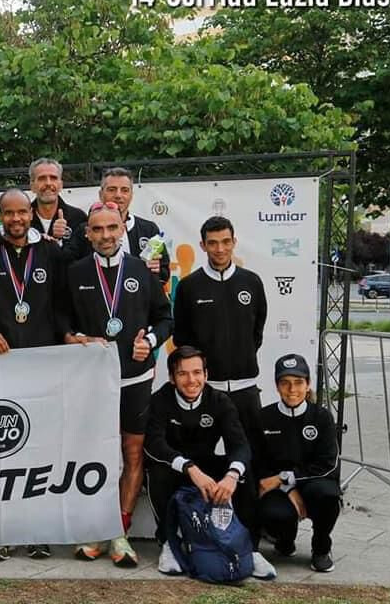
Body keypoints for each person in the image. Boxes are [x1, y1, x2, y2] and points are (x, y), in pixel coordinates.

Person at [63, 201, 173, 567]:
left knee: (131, 453)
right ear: (88, 233)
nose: (106, 235)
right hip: (92, 382)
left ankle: (119, 531)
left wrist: (151, 342)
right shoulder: (75, 272)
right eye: (98, 229)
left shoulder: (141, 270)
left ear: (122, 230)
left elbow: (164, 317)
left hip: (135, 379)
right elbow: (60, 319)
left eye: (112, 228)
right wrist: (75, 337)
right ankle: (96, 527)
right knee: (96, 455)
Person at [144, 346, 276, 580]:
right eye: (183, 374)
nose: (191, 380)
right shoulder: (160, 400)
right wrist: (189, 468)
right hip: (176, 466)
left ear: (206, 374)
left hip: (205, 464)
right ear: (173, 378)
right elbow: (154, 444)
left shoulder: (219, 401)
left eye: (197, 372)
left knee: (243, 472)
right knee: (157, 471)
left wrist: (231, 476)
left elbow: (240, 445)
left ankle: (251, 550)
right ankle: (168, 545)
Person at [173, 216, 267, 445]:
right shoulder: (189, 286)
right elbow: (182, 338)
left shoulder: (252, 282)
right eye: (213, 243)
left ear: (234, 242)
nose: (220, 249)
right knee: (200, 456)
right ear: (202, 245)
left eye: (226, 241)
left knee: (252, 456)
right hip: (206, 390)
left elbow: (257, 331)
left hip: (246, 388)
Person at [256, 354, 340, 573]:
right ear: (276, 385)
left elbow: (328, 463)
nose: (292, 389)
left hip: (312, 483)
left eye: (298, 382)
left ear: (308, 384)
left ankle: (321, 548)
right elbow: (258, 461)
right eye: (285, 383)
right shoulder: (264, 417)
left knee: (328, 496)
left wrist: (287, 478)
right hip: (279, 487)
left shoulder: (321, 417)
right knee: (274, 514)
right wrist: (287, 487)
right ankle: (285, 539)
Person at [0, 188, 66, 354]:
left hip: (42, 351)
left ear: (31, 214)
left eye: (22, 212)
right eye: (9, 213)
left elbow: (61, 304)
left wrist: (67, 334)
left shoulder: (50, 251)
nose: (16, 218)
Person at [97, 167, 169, 284]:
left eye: (125, 190)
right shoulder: (86, 231)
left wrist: (157, 269)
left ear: (131, 195)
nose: (118, 195)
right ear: (101, 194)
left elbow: (164, 273)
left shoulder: (149, 230)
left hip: (139, 299)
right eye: (112, 189)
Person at [28, 157, 89, 260]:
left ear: (61, 184)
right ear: (32, 185)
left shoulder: (78, 218)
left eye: (53, 178)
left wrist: (59, 242)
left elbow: (85, 260)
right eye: (42, 178)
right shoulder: (22, 220)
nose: (48, 183)